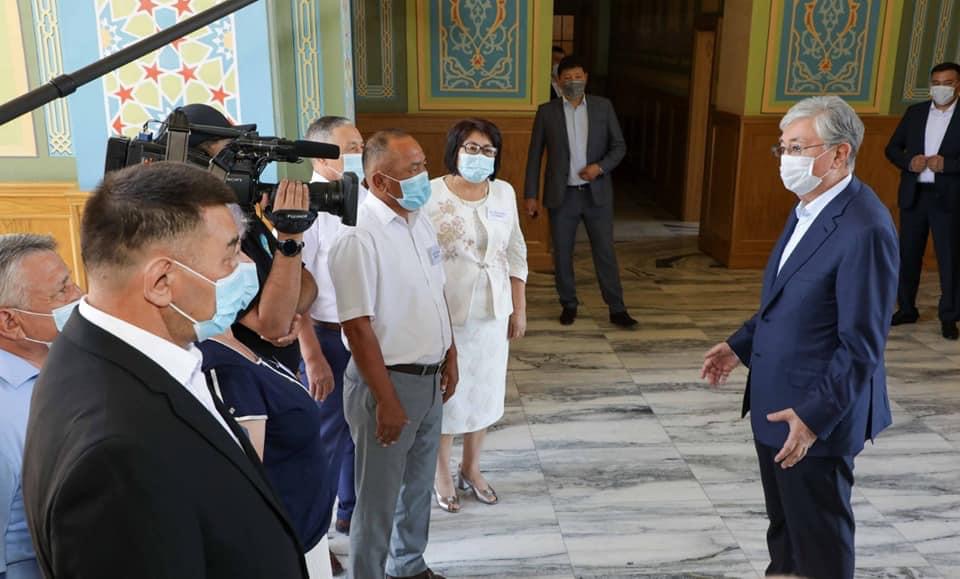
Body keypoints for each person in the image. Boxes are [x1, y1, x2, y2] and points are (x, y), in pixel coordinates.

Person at [22, 162, 308, 578]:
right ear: (161, 282)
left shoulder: (109, 351)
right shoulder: (115, 459)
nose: (245, 266)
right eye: (230, 255)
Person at [701, 96, 898, 579]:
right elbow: (791, 297)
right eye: (783, 148)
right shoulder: (810, 206)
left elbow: (862, 345)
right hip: (778, 405)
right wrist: (739, 345)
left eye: (797, 148)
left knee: (820, 544)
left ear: (839, 153)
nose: (786, 160)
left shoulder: (865, 228)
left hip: (815, 418)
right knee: (787, 534)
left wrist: (812, 419)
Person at [329, 129, 458, 579]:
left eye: (423, 164)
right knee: (378, 497)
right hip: (386, 382)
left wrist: (450, 354)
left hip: (429, 377)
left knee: (417, 486)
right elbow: (357, 326)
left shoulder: (418, 218)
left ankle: (409, 566)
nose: (424, 176)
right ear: (381, 182)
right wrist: (385, 399)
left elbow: (437, 291)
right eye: (414, 169)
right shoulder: (357, 236)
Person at [425, 118, 528, 512]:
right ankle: (441, 473)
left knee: (484, 392)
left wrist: (518, 307)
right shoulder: (431, 193)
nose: (480, 156)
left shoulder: (503, 192)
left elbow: (515, 251)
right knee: (449, 395)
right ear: (455, 150)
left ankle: (471, 467)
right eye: (471, 148)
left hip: (492, 311)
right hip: (447, 311)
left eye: (488, 150)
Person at [175, 103, 320, 371]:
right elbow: (271, 325)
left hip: (280, 371)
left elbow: (308, 284)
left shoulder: (243, 214)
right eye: (228, 154)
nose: (237, 164)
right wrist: (290, 236)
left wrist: (288, 309)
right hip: (243, 375)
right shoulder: (202, 233)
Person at [298, 115, 369, 573]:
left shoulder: (363, 194)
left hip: (364, 332)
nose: (359, 153)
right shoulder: (306, 205)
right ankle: (314, 541)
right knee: (324, 441)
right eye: (350, 147)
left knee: (359, 431)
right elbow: (295, 288)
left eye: (361, 144)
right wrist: (311, 354)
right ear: (320, 156)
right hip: (325, 336)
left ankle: (350, 512)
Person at [523, 55, 636, 328]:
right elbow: (535, 155)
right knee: (562, 253)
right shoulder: (547, 112)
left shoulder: (603, 107)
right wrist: (531, 195)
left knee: (605, 252)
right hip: (562, 196)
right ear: (558, 81)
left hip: (597, 194)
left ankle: (617, 308)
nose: (573, 82)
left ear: (586, 77)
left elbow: (619, 146)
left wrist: (600, 167)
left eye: (577, 77)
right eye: (567, 78)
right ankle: (568, 304)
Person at [0, 234, 82, 579]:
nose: (79, 295)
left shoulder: (70, 365)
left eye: (71, 281)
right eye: (61, 291)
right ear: (10, 322)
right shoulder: (5, 413)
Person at [884, 62, 960, 340]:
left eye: (947, 83)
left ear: (958, 86)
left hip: (948, 199)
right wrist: (908, 161)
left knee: (950, 259)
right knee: (907, 255)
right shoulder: (915, 113)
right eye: (936, 83)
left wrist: (948, 165)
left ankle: (949, 316)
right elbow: (892, 148)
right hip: (914, 195)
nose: (941, 88)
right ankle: (906, 308)